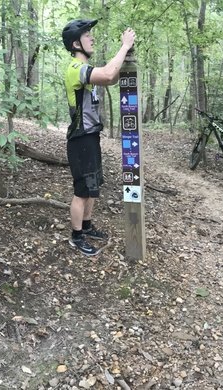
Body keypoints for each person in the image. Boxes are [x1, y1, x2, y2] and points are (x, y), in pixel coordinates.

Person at [61, 19, 135, 256]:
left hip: (91, 136)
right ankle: (76, 236)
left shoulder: (86, 71)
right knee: (82, 190)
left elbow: (111, 78)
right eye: (87, 35)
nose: (92, 38)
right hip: (80, 138)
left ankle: (87, 225)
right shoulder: (75, 69)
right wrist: (124, 46)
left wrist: (126, 56)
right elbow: (108, 73)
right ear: (76, 44)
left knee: (93, 186)